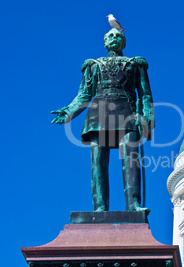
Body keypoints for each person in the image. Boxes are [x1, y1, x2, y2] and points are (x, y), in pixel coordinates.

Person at [51, 28, 154, 212]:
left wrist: (147, 117)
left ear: (124, 42)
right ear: (105, 42)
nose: (114, 38)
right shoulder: (93, 65)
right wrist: (68, 113)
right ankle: (99, 208)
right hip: (98, 115)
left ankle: (133, 204)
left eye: (118, 36)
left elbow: (145, 94)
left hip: (127, 113)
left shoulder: (135, 64)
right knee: (98, 163)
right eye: (110, 36)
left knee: (130, 159)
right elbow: (83, 96)